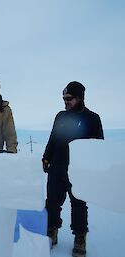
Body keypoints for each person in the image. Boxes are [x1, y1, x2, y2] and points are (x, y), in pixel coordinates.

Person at [42, 81, 104, 257]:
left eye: (69, 98)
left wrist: (94, 168)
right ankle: (52, 230)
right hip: (57, 165)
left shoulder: (92, 118)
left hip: (78, 170)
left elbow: (98, 147)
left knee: (78, 204)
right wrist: (46, 157)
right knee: (52, 201)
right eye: (64, 98)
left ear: (80, 98)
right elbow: (53, 138)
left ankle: (80, 237)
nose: (65, 102)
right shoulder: (61, 116)